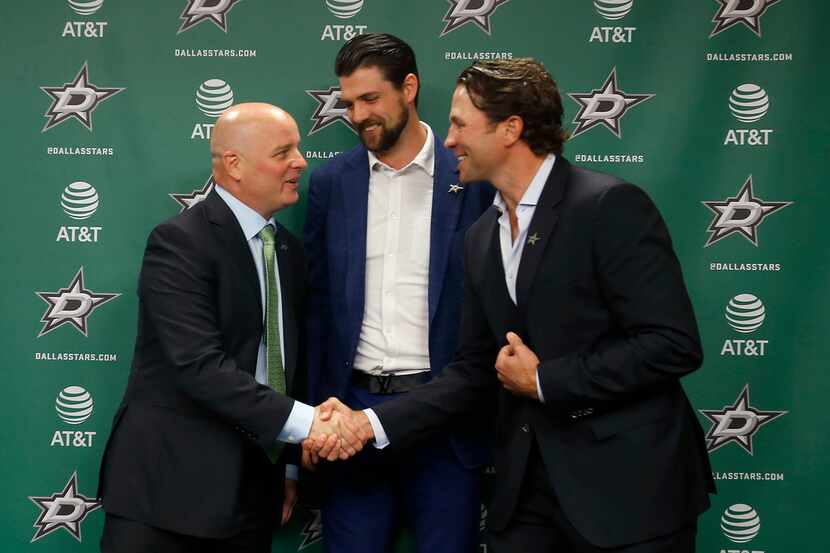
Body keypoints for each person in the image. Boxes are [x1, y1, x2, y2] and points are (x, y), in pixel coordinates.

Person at [313, 59, 716, 552]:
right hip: (526, 495)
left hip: (629, 492)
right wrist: (368, 423)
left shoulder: (608, 206)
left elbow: (672, 344)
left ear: (510, 129)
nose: (448, 140)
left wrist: (546, 380)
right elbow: (474, 370)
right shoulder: (481, 237)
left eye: (460, 124)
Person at [97, 103, 360, 553]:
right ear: (234, 165)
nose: (301, 161)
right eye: (284, 152)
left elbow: (285, 364)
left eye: (298, 148)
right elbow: (198, 366)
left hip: (254, 495)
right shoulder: (179, 242)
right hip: (166, 498)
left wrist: (289, 468)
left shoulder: (290, 253)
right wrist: (309, 423)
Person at [304, 34, 495, 553]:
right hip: (352, 418)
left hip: (445, 419)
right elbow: (317, 310)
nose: (358, 114)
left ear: (408, 88)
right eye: (349, 103)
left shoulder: (475, 176)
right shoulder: (331, 183)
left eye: (371, 99)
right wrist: (313, 418)